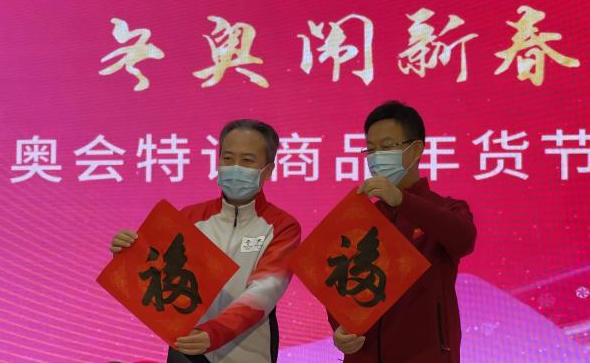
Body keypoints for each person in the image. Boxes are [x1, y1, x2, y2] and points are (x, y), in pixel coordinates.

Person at [110, 119, 301, 363]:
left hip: (249, 353)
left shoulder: (282, 227)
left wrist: (214, 332)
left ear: (268, 170)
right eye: (227, 158)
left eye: (247, 160)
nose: (235, 167)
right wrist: (128, 254)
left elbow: (265, 290)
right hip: (188, 348)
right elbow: (155, 275)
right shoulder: (189, 218)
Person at [330, 101, 477, 362]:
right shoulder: (361, 218)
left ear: (416, 149)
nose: (377, 157)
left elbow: (464, 240)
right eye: (371, 149)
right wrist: (339, 328)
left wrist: (402, 200)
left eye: (387, 147)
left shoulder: (447, 209)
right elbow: (339, 284)